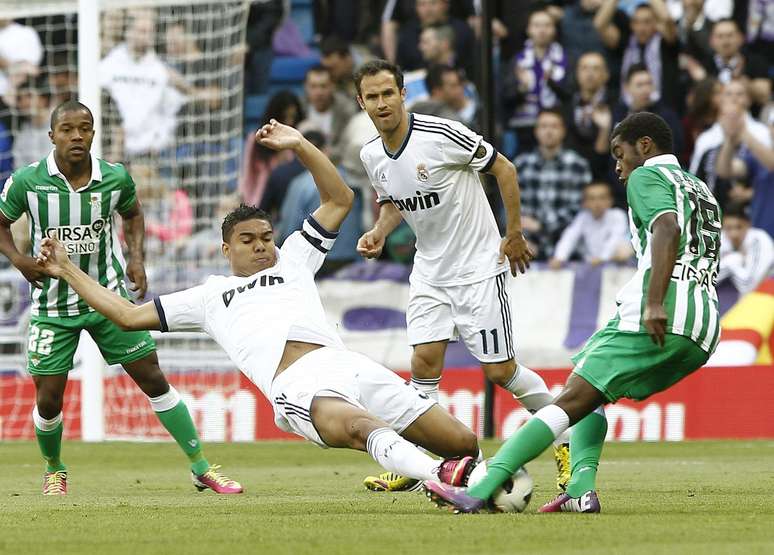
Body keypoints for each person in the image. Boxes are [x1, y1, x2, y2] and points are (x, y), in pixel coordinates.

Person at [34, 119, 483, 493]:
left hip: (346, 364)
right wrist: (69, 271)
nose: (262, 247)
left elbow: (340, 199)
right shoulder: (209, 296)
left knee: (463, 441)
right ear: (225, 249)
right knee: (361, 428)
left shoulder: (295, 256)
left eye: (266, 237)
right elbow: (128, 315)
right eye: (248, 241)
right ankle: (437, 477)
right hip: (295, 386)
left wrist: (301, 144)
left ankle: (468, 475)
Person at [424, 112, 722, 514]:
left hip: (662, 308)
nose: (617, 166)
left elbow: (666, 228)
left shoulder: (646, 178)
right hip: (704, 322)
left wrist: (653, 302)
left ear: (645, 146)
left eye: (620, 153)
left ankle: (482, 488)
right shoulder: (700, 188)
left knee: (569, 400)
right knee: (587, 389)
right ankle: (581, 489)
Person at [0, 101, 240, 495]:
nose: (77, 136)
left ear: (95, 133)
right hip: (52, 306)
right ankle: (55, 468)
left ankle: (201, 466)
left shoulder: (115, 178)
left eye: (85, 128)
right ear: (52, 136)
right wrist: (20, 260)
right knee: (48, 399)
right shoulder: (27, 181)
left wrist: (137, 259)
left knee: (152, 377)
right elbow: (1, 222)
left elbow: (133, 213)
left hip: (108, 299)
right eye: (68, 130)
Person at [354, 60, 571, 493]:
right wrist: (379, 231)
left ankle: (566, 438)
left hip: (476, 267)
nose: (381, 103)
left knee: (501, 372)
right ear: (361, 103)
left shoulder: (441, 134)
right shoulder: (371, 154)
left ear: (402, 94)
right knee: (423, 363)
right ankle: (419, 466)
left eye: (387, 93)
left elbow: (504, 169)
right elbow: (395, 200)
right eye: (372, 97)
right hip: (430, 271)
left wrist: (513, 234)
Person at [514, 109, 592, 260]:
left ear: (563, 131)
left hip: (570, 248)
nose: (548, 131)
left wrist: (542, 226)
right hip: (529, 246)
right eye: (543, 126)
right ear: (536, 131)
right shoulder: (520, 165)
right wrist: (522, 239)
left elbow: (580, 209)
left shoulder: (578, 165)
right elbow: (512, 208)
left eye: (554, 126)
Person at [548, 182, 632, 269]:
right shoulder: (583, 217)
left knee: (623, 250)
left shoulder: (618, 215)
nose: (597, 203)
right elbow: (569, 237)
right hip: (592, 262)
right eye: (592, 199)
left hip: (616, 261)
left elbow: (615, 239)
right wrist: (559, 258)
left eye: (602, 198)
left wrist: (602, 258)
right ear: (584, 203)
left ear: (610, 200)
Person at [717, 202, 774, 294]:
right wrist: (735, 258)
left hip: (768, 294)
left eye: (738, 227)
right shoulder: (722, 238)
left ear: (748, 225)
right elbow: (704, 280)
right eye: (729, 228)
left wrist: (731, 262)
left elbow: (749, 286)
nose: (734, 234)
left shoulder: (760, 240)